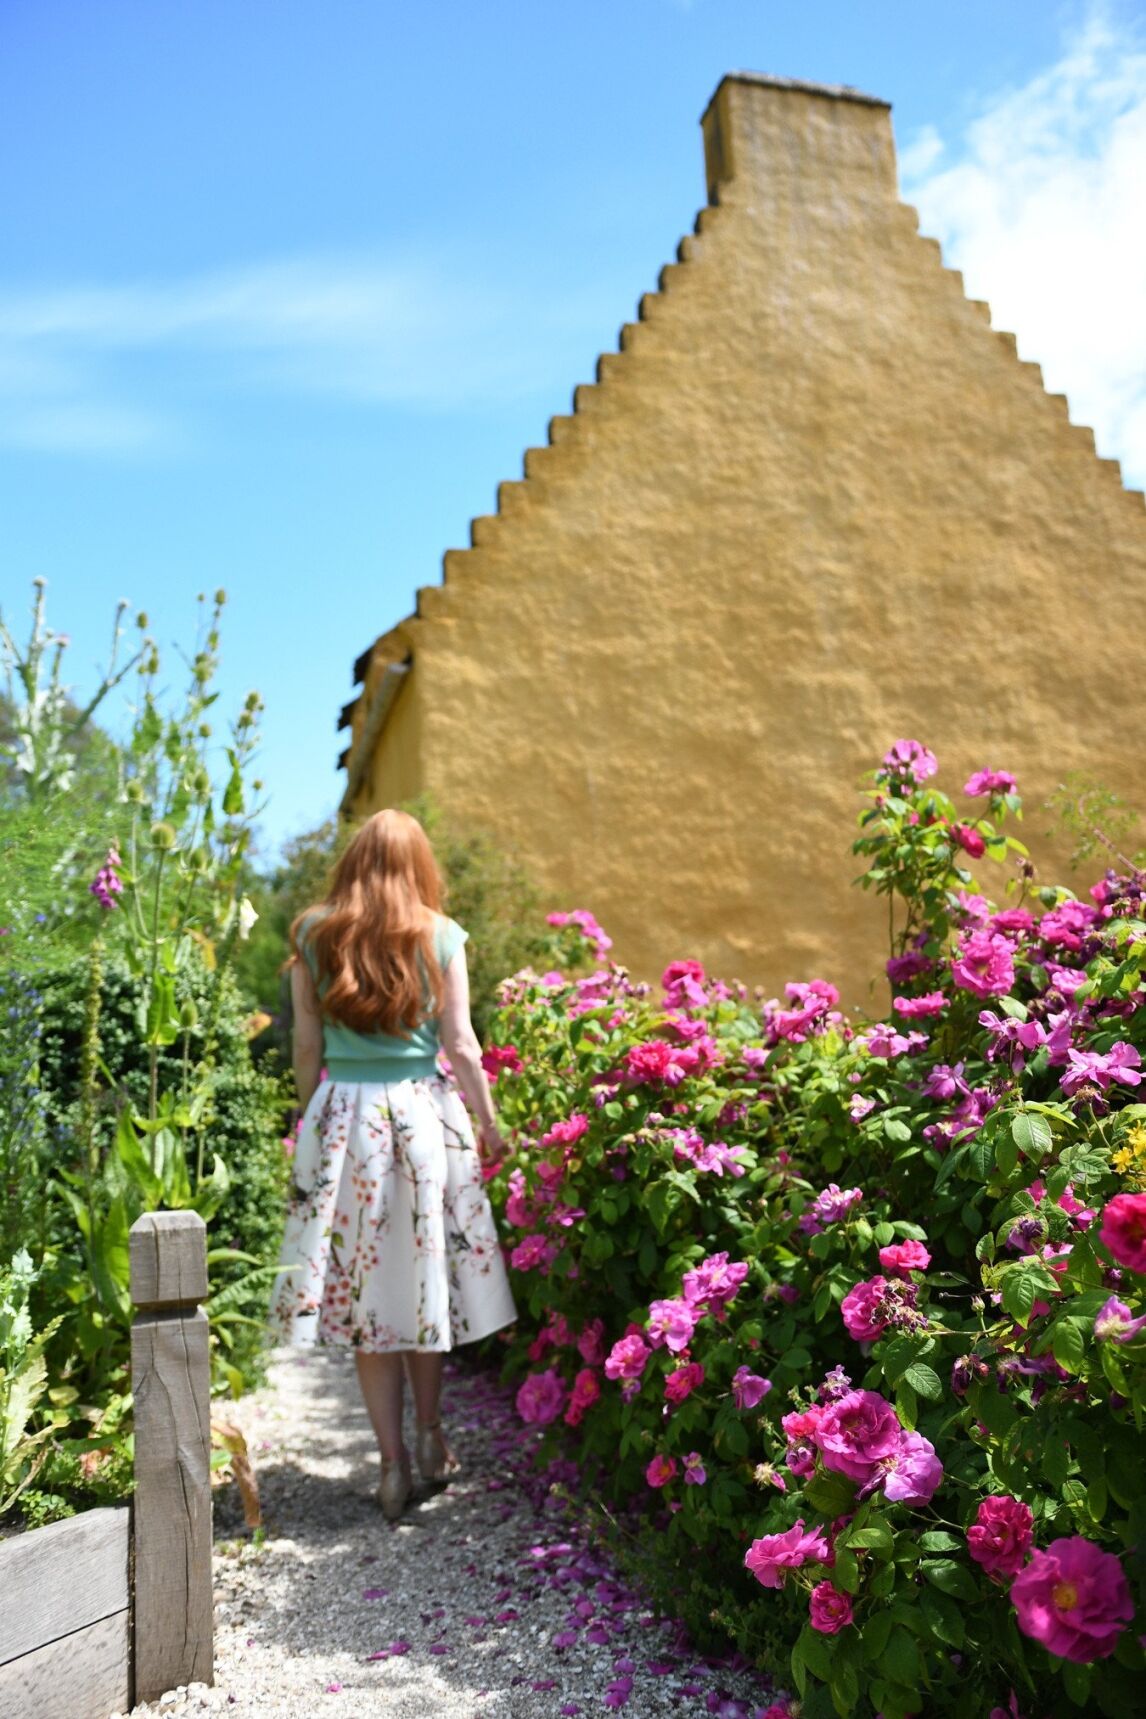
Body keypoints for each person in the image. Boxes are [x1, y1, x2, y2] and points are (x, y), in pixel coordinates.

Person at [270, 808, 517, 1519]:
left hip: (343, 1117)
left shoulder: (315, 936)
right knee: (421, 1284)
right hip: (419, 1115)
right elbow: (463, 1044)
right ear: (419, 866)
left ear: (351, 862)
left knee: (367, 1301)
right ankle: (432, 1436)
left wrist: (305, 1115)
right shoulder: (441, 935)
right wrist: (491, 1124)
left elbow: (306, 1048)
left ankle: (391, 1465)